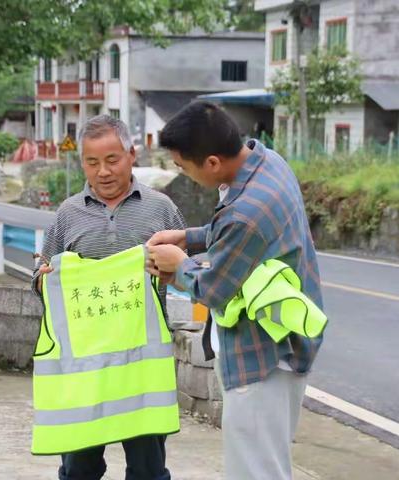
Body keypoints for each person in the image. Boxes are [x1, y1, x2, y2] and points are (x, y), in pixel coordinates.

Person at [146, 101, 324, 480]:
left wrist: (177, 266)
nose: (182, 172)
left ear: (211, 162)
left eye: (182, 166)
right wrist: (190, 237)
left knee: (256, 471)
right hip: (287, 343)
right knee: (269, 463)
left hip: (260, 358)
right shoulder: (267, 163)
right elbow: (239, 237)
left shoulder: (245, 214)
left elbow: (214, 289)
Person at [33, 115, 185, 480]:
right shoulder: (68, 215)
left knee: (148, 470)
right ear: (82, 162)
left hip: (141, 369)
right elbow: (41, 276)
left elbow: (187, 271)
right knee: (79, 469)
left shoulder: (161, 210)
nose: (102, 172)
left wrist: (173, 271)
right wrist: (43, 281)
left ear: (131, 155)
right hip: (85, 370)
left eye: (112, 160)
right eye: (92, 162)